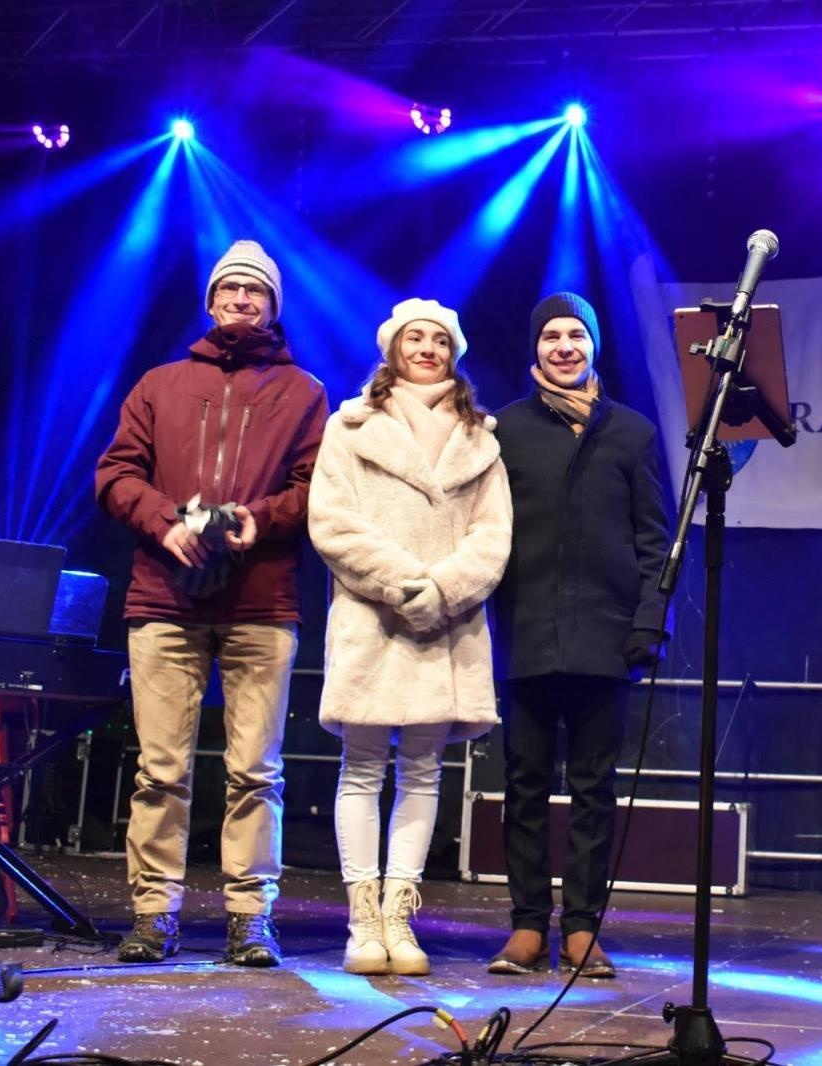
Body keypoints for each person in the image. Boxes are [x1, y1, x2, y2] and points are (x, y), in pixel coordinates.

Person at [95, 239, 328, 965]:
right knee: (160, 768)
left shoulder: (305, 393)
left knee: (256, 770)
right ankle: (153, 913)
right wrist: (167, 525)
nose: (241, 300)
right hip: (166, 598)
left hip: (261, 599)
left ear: (273, 304)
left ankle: (249, 916)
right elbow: (114, 474)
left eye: (255, 291)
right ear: (210, 300)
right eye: (230, 289)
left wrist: (262, 518)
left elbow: (319, 485)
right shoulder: (160, 383)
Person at [308, 299, 511, 976]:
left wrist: (443, 590)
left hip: (445, 629)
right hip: (374, 621)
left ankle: (400, 919)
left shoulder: (481, 436)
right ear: (392, 347)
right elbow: (331, 521)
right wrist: (405, 586)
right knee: (362, 770)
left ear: (454, 352)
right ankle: (362, 921)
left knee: (424, 773)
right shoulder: (351, 423)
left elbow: (493, 534)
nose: (426, 348)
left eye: (439, 339)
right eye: (413, 337)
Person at [486, 292, 672, 979]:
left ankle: (584, 927)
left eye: (576, 336)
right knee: (525, 784)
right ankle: (528, 926)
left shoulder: (632, 433)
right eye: (551, 337)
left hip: (607, 634)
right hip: (527, 629)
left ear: (594, 347)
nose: (564, 347)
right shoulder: (503, 430)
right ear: (534, 349)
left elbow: (655, 538)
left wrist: (650, 618)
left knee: (595, 788)